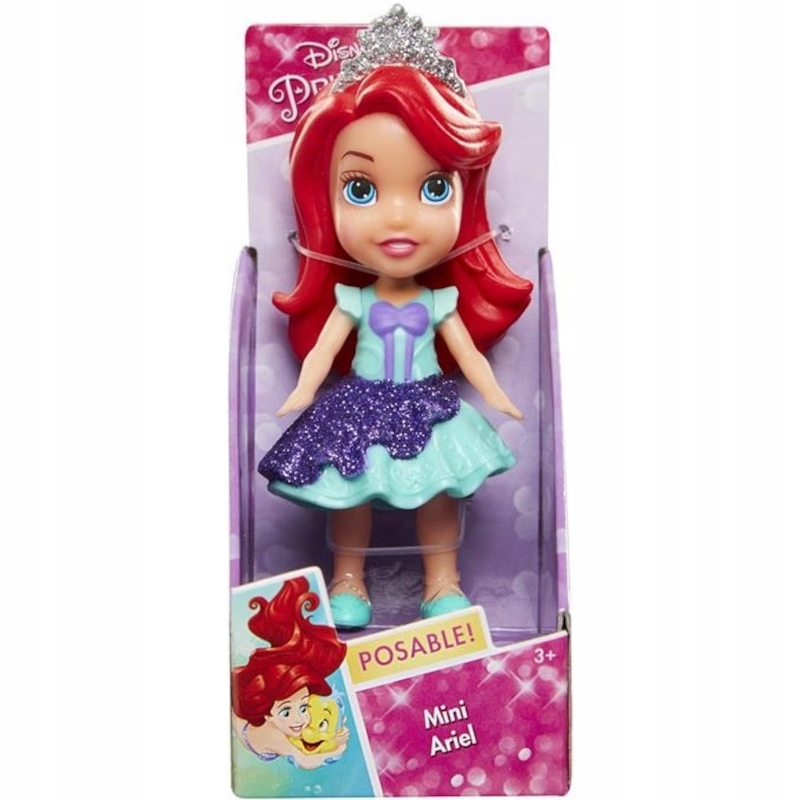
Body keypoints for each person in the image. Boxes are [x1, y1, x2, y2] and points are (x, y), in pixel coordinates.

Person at [259, 6, 533, 628]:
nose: (399, 218)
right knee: (349, 491)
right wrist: (302, 391)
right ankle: (347, 580)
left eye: (433, 188)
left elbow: (467, 354)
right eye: (362, 190)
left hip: (426, 405)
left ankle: (443, 583)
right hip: (359, 405)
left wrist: (497, 395)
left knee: (436, 492)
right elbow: (324, 351)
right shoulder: (354, 299)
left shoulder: (439, 302)